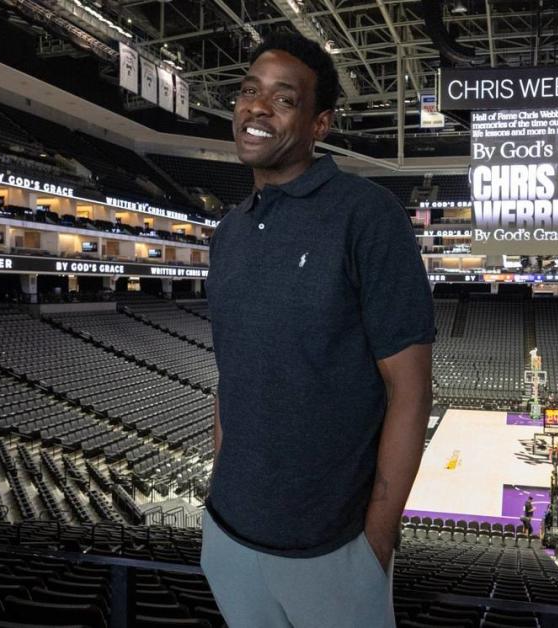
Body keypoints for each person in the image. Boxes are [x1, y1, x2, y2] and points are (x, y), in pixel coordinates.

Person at [201, 31, 435, 628]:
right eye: (249, 92)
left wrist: (374, 546)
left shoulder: (367, 214)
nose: (256, 107)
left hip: (332, 553)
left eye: (283, 99)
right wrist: (216, 492)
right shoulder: (227, 234)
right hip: (227, 535)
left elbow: (408, 391)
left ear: (320, 124)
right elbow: (232, 376)